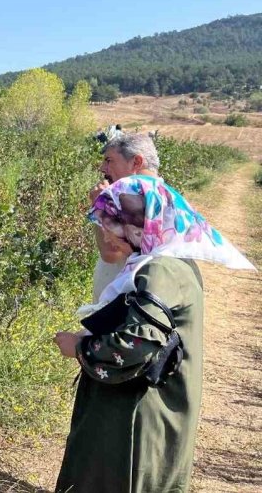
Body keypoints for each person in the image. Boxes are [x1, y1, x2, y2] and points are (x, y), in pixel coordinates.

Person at [53, 175, 254, 493]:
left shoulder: (159, 270)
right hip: (152, 406)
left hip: (138, 417)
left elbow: (139, 344)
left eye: (113, 224)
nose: (107, 235)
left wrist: (80, 347)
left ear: (138, 225)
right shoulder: (170, 261)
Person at [89, 133, 159, 301]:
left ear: (136, 162)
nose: (103, 168)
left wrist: (99, 205)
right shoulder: (163, 197)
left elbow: (111, 254)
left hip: (124, 308)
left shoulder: (139, 201)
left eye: (109, 160)